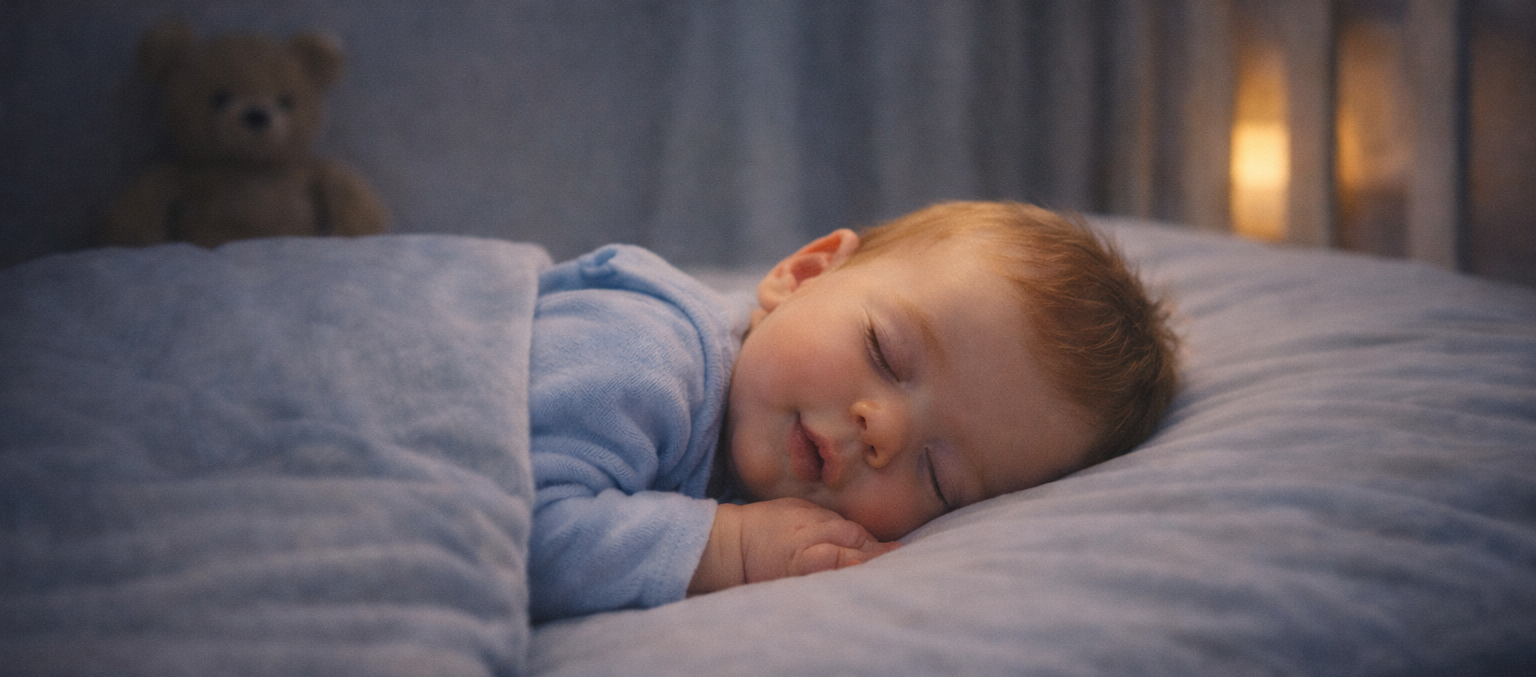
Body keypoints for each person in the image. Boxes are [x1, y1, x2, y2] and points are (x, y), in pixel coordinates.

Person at [527, 201, 1179, 621]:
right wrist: (730, 547)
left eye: (937, 475)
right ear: (805, 273)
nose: (884, 429)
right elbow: (502, 513)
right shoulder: (644, 351)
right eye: (886, 352)